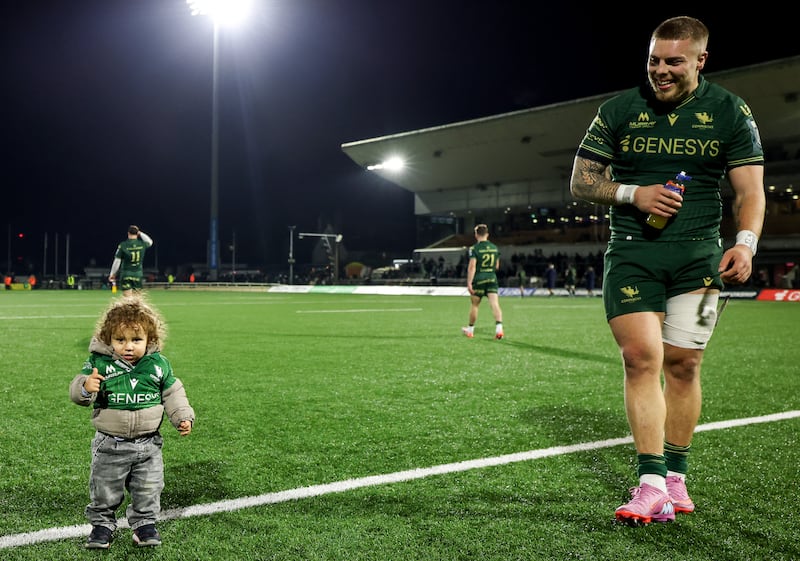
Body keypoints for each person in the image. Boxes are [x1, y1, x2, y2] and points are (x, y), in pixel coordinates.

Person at [569, 16, 765, 526]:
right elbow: (581, 182)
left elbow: (750, 191)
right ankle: (651, 481)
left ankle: (675, 473)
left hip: (699, 259)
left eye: (673, 61)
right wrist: (635, 193)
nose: (660, 70)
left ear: (701, 60)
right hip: (633, 253)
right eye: (654, 59)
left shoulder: (729, 111)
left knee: (684, 365)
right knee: (641, 358)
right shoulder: (618, 110)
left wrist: (745, 244)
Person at [69, 294, 195, 548]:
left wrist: (182, 416)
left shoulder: (158, 365)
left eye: (136, 340)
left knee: (149, 487)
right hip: (110, 444)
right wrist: (85, 387)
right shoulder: (99, 364)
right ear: (108, 339)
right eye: (120, 340)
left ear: (150, 340)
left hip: (148, 445)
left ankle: (144, 525)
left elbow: (172, 393)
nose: (128, 346)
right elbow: (77, 391)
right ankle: (102, 525)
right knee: (105, 488)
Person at [462, 224, 504, 339]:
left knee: (475, 305)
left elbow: (472, 267)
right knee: (495, 304)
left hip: (479, 279)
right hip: (492, 278)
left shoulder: (474, 249)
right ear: (487, 234)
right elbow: (497, 266)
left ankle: (470, 330)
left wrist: (469, 282)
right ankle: (499, 329)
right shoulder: (495, 248)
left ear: (476, 235)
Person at [109, 225, 153, 296]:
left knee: (127, 300)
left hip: (126, 274)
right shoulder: (141, 244)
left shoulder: (123, 245)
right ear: (137, 233)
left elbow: (117, 261)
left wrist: (113, 274)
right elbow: (150, 242)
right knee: (137, 301)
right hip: (138, 274)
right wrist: (140, 233)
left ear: (128, 233)